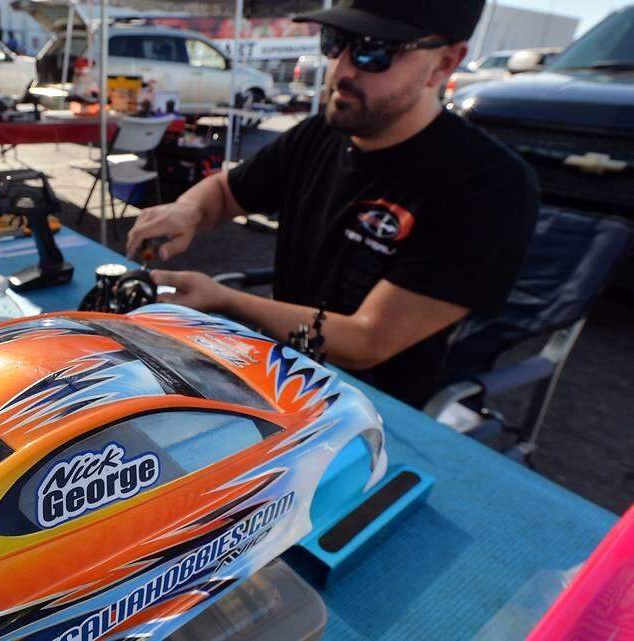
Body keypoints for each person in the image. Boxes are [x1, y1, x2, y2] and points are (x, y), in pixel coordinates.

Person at [126, 0, 540, 406]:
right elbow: (224, 193)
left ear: (445, 62)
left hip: (374, 406)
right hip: (274, 373)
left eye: (374, 51)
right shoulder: (317, 134)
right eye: (335, 41)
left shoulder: (489, 184)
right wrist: (187, 211)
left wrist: (223, 299)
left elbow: (368, 341)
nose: (341, 69)